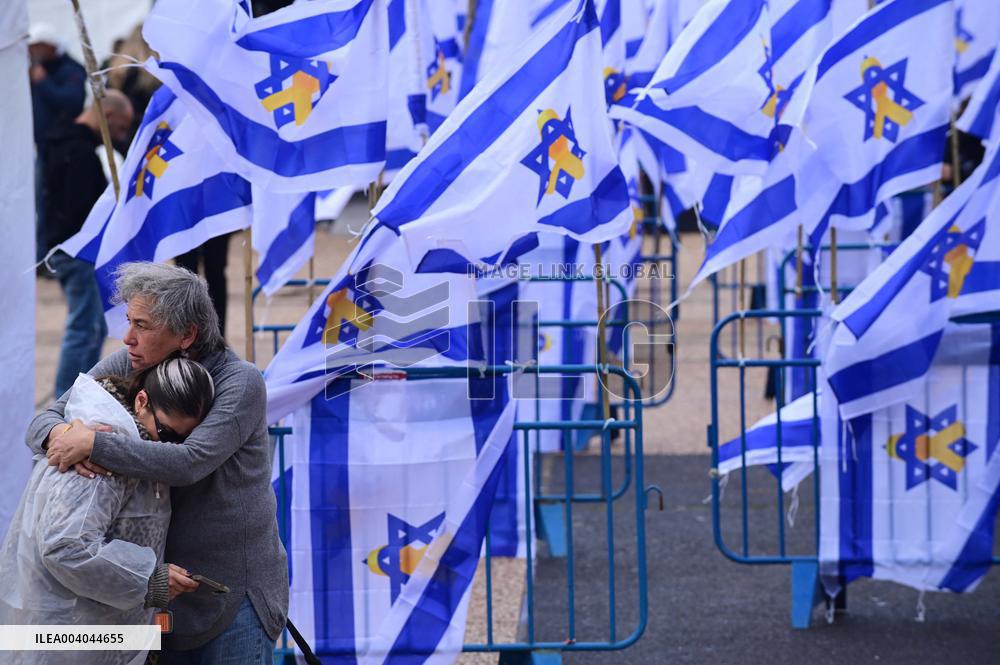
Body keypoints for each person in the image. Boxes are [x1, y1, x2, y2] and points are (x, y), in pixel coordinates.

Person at [31, 262, 289, 665]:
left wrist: (93, 444)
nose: (127, 337)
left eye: (142, 325)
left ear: (187, 334)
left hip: (234, 598)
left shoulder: (240, 381)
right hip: (155, 595)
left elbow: (188, 462)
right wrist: (61, 437)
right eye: (128, 321)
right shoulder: (131, 361)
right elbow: (42, 421)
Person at [0, 358, 215, 665]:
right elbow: (65, 546)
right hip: (61, 642)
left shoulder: (134, 437)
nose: (170, 448)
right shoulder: (103, 444)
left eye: (183, 442)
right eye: (168, 435)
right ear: (141, 401)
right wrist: (150, 580)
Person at [45, 90, 134, 399]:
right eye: (121, 128)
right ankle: (66, 397)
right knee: (85, 327)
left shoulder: (64, 141)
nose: (121, 136)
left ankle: (78, 394)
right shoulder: (78, 150)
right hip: (77, 250)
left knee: (92, 326)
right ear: (106, 116)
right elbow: (79, 209)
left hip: (72, 249)